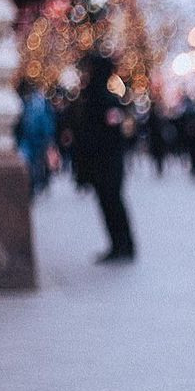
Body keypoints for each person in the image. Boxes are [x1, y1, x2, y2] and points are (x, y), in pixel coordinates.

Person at [72, 53, 136, 263]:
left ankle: (123, 245)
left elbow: (109, 133)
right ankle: (119, 245)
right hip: (104, 163)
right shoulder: (93, 97)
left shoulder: (104, 100)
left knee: (113, 204)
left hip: (107, 163)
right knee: (110, 205)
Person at [14, 79, 56, 197]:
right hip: (30, 139)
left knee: (35, 163)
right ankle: (33, 185)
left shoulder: (35, 104)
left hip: (35, 139)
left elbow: (46, 121)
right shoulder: (32, 104)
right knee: (31, 163)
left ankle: (36, 184)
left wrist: (48, 137)